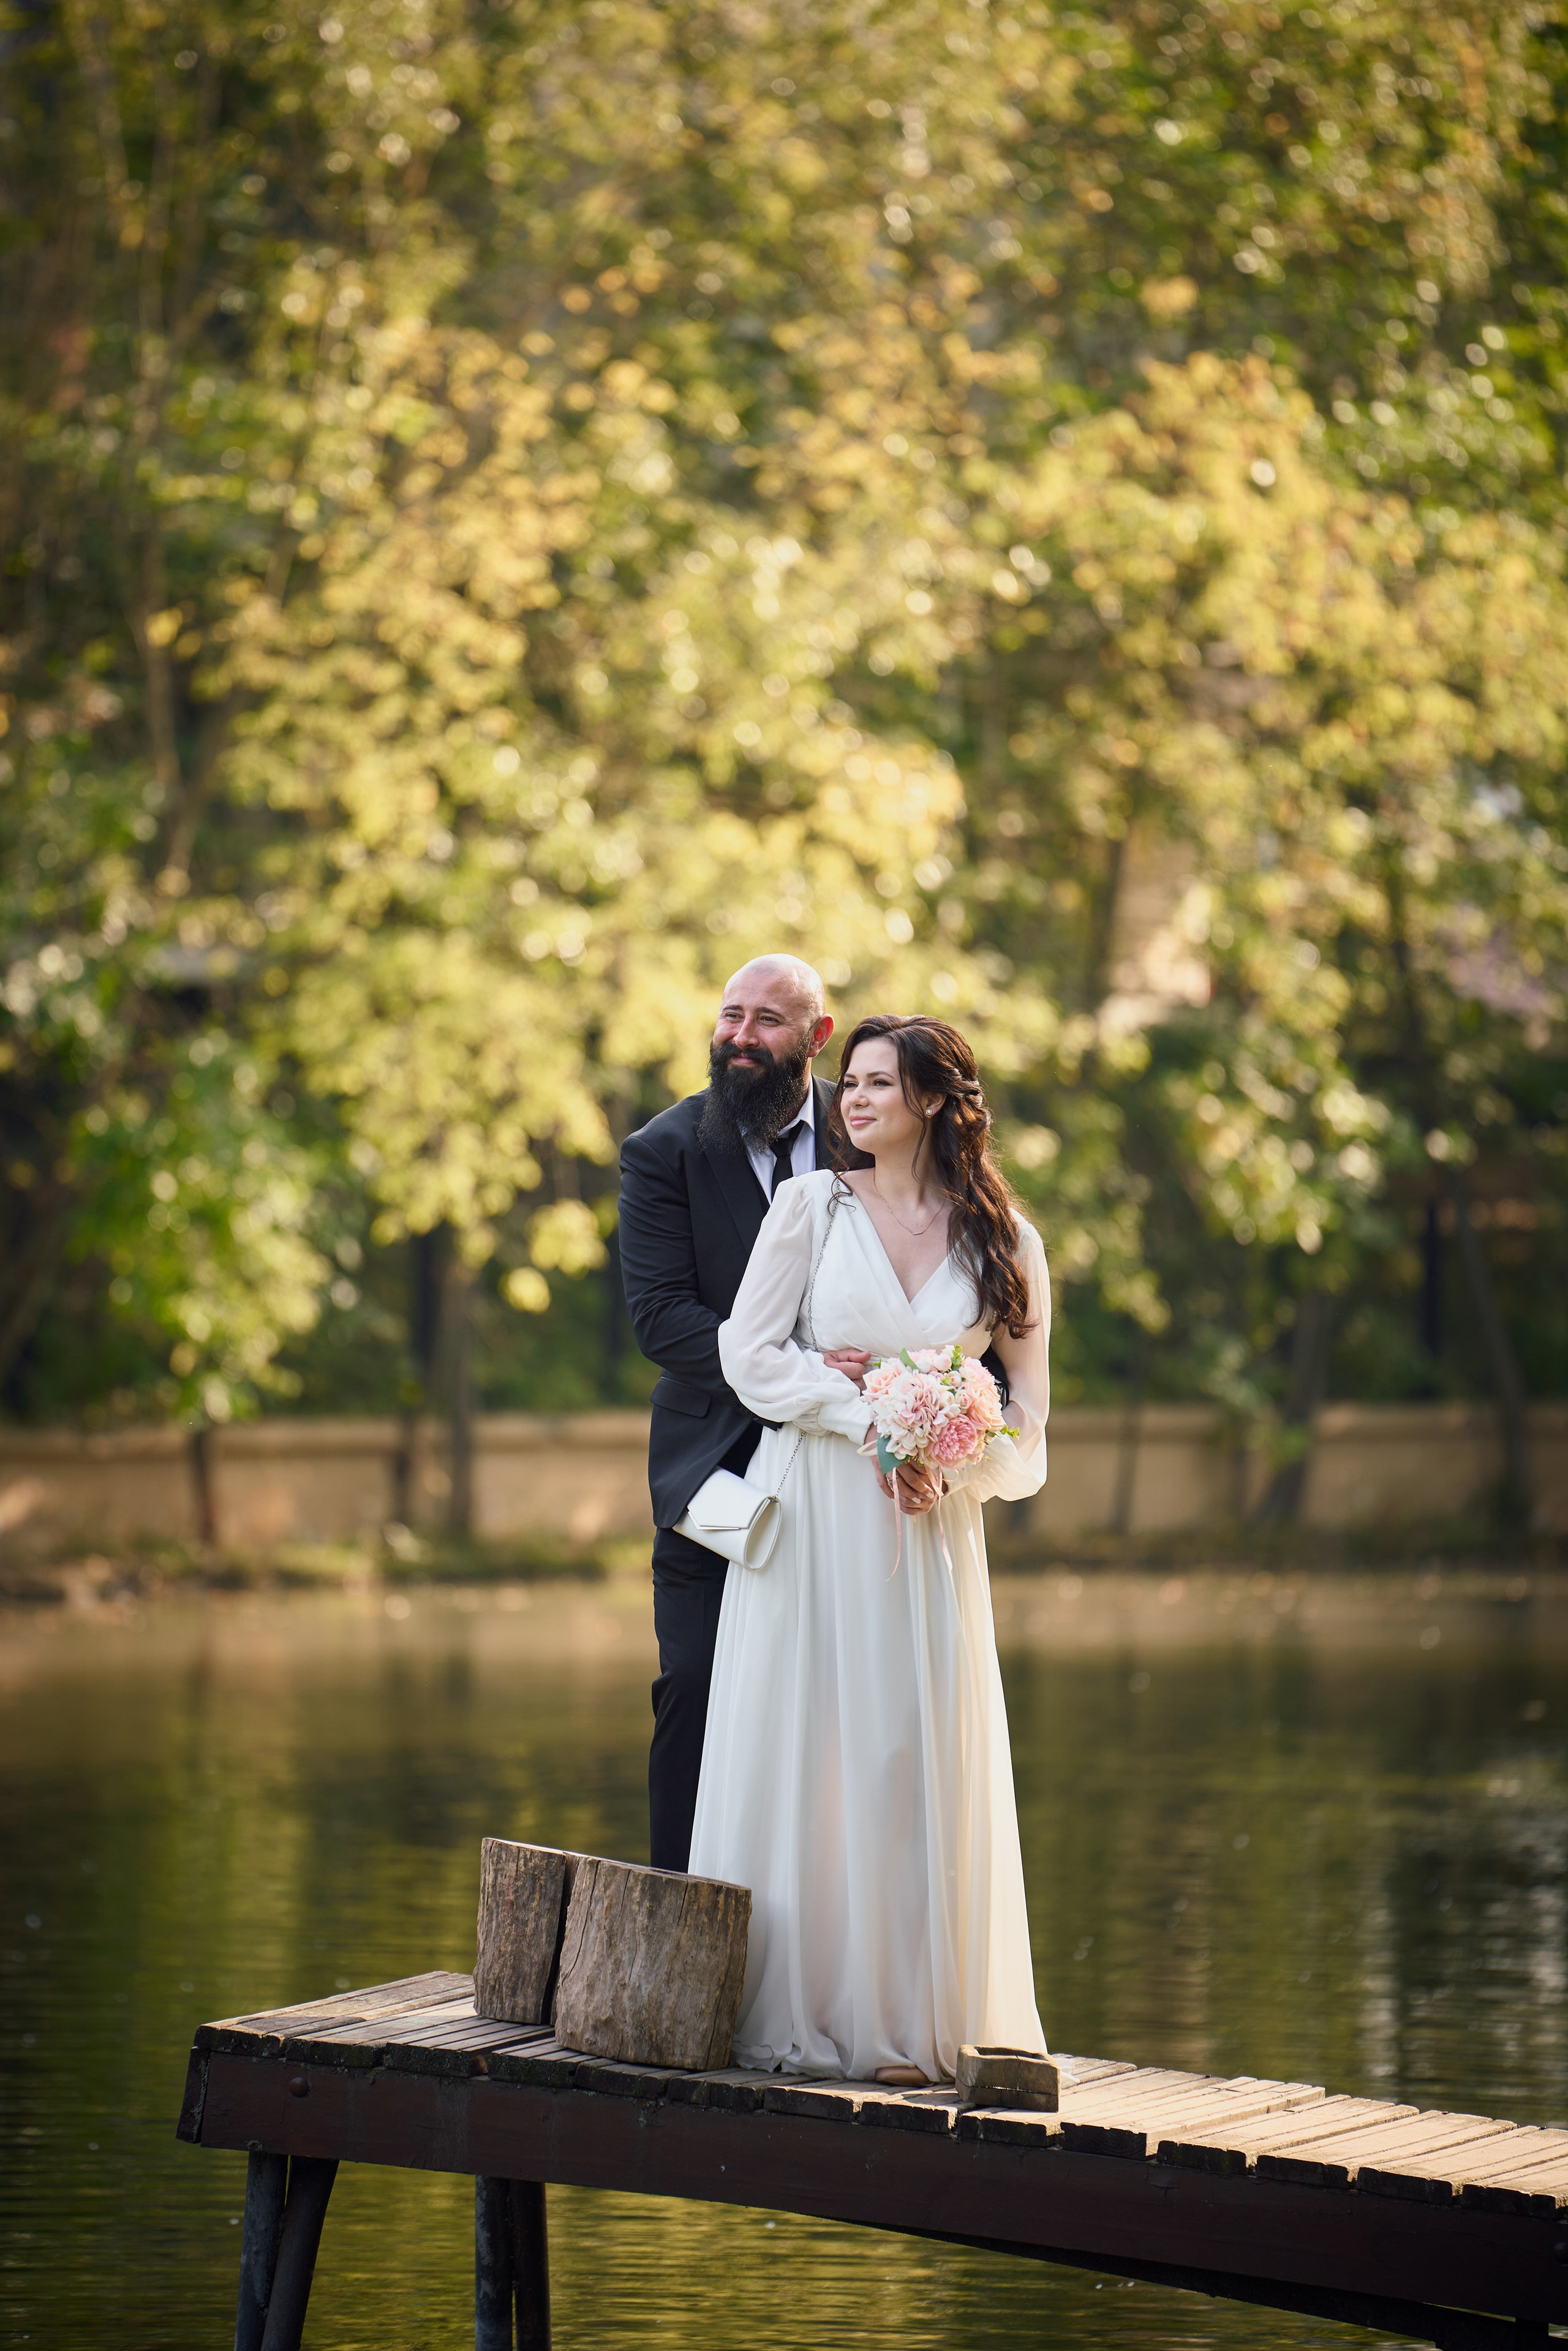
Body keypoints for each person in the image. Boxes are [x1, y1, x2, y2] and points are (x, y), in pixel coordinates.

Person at [687, 1014, 1050, 2086]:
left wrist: (954, 1453)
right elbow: (749, 1358)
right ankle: (798, 2012)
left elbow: (1026, 1419)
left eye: (881, 1084)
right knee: (810, 1748)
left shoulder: (1006, 1240)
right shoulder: (809, 1208)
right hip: (813, 1511)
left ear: (937, 1100)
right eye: (850, 1083)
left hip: (926, 1528)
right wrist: (869, 1414)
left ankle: (914, 2018)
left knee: (908, 1752)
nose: (853, 1100)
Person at [617, 955, 872, 1871]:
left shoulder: (880, 1125)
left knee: (851, 1708)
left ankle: (830, 1930)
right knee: (694, 1684)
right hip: (716, 1471)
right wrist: (794, 1371)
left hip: (861, 1469)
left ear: (817, 1035)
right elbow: (661, 1318)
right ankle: (676, 1918)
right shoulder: (664, 1150)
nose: (741, 1036)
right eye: (731, 1015)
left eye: (768, 1019)